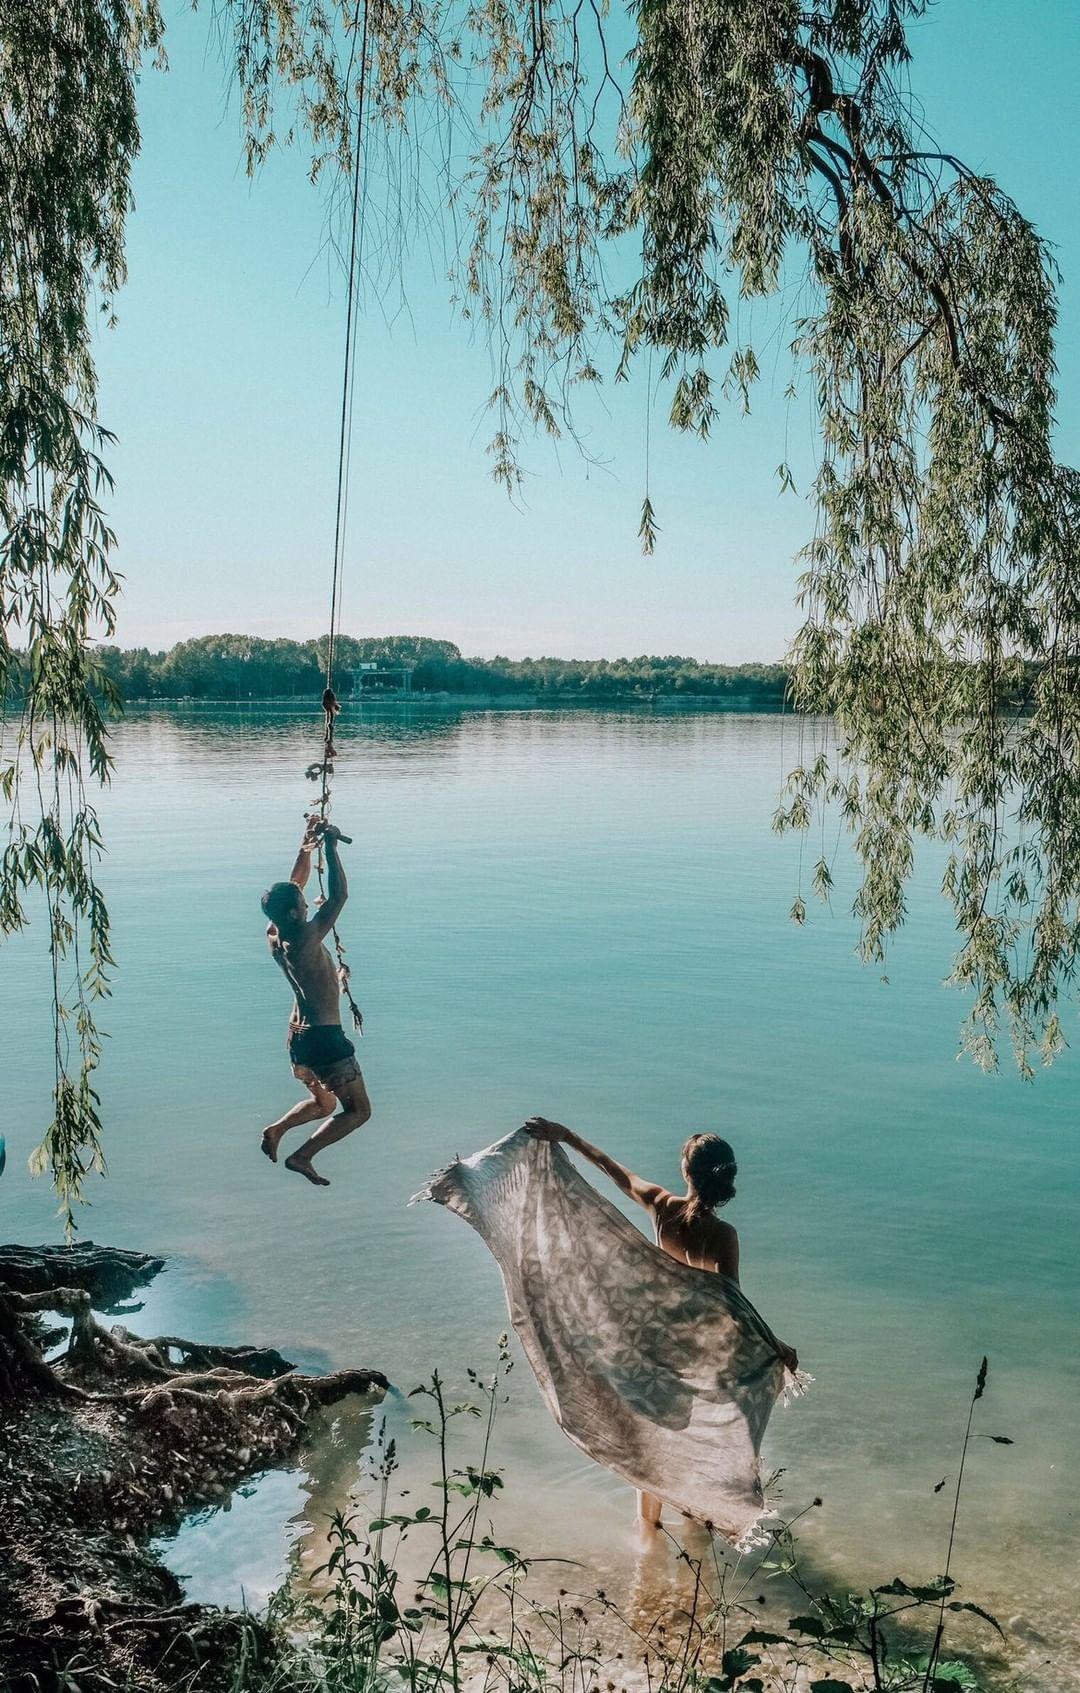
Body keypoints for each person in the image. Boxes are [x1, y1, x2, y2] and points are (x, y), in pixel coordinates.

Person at [524, 1116, 798, 1530]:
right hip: (699, 1356)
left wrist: (566, 1137)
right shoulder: (722, 1234)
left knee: (653, 1447)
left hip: (652, 1348)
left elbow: (612, 1170)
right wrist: (774, 1345)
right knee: (695, 1444)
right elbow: (733, 1304)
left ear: (686, 1173)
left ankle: (647, 1541)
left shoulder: (662, 1208)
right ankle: (697, 1529)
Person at [260, 821, 371, 1186]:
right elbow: (339, 898)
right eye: (303, 906)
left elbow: (294, 887)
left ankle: (277, 1129)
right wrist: (332, 849)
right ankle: (302, 1156)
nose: (308, 905)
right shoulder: (306, 938)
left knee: (325, 1105)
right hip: (325, 1038)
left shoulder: (275, 934)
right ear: (294, 914)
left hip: (298, 1038)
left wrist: (304, 846)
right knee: (358, 1111)